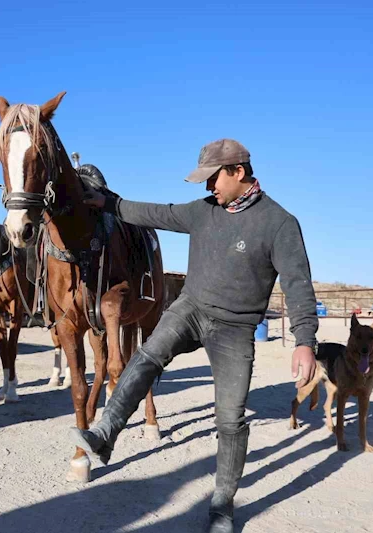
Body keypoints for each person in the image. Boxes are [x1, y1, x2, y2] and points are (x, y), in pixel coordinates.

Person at [74, 139, 318, 533]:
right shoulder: (204, 212)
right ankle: (104, 434)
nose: (208, 189)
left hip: (236, 328)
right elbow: (157, 213)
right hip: (191, 309)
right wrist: (110, 203)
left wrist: (305, 340)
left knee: (230, 418)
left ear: (239, 172)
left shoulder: (279, 223)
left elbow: (298, 284)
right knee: (148, 355)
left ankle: (222, 505)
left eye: (214, 179)